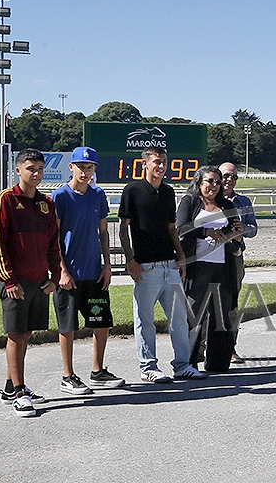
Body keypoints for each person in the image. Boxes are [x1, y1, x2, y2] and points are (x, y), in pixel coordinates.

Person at [118, 145, 206, 383]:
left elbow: (172, 228)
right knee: (145, 321)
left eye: (164, 162)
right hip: (145, 268)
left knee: (179, 320)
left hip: (170, 266)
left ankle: (182, 365)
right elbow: (123, 228)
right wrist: (130, 259)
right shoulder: (132, 190)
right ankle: (148, 367)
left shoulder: (168, 192)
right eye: (157, 161)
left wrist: (181, 257)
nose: (161, 166)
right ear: (145, 163)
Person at [0, 148, 60, 417]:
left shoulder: (46, 204)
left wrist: (54, 277)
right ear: (18, 170)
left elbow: (53, 244)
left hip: (39, 281)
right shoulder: (5, 200)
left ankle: (11, 387)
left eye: (40, 169)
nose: (36, 173)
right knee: (16, 334)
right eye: (31, 168)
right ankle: (20, 393)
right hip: (15, 282)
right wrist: (9, 280)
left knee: (27, 334)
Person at [51, 147, 124, 395]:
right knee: (68, 326)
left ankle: (98, 371)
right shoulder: (60, 196)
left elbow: (103, 231)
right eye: (81, 167)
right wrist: (62, 270)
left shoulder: (98, 194)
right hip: (70, 274)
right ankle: (68, 376)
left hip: (94, 272)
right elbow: (54, 237)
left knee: (101, 321)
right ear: (71, 167)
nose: (85, 172)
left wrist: (107, 265)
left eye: (90, 167)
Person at [176, 166, 242, 372]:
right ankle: (187, 363)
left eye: (217, 182)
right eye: (210, 181)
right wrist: (205, 231)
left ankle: (218, 363)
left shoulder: (226, 205)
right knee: (194, 314)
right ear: (199, 182)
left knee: (221, 315)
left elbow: (235, 234)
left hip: (223, 267)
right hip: (197, 267)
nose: (214, 185)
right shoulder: (190, 201)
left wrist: (237, 236)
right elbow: (180, 227)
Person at [219, 162, 257, 364]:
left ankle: (230, 348)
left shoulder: (243, 201)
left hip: (234, 257)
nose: (229, 180)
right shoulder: (207, 198)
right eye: (226, 176)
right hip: (209, 257)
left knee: (231, 304)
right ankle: (199, 350)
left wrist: (243, 229)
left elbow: (253, 228)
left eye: (234, 177)